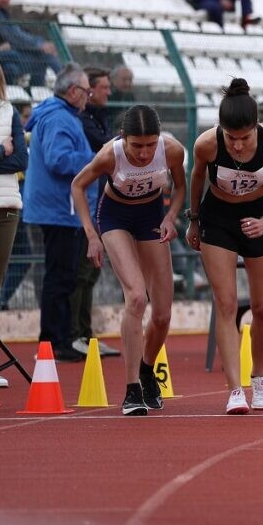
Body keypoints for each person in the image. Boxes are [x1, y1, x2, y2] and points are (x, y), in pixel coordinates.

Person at [185, 78, 263, 413]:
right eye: (231, 138)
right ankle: (235, 390)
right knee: (227, 303)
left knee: (262, 307)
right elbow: (196, 179)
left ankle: (258, 377)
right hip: (218, 220)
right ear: (221, 130)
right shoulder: (206, 144)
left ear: (255, 129)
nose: (237, 146)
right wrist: (194, 220)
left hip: (260, 217)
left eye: (244, 138)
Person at [69, 106, 186, 415]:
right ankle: (132, 389)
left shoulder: (172, 150)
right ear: (124, 138)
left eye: (150, 145)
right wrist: (91, 236)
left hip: (150, 215)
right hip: (114, 216)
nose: (145, 153)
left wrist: (171, 217)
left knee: (161, 314)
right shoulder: (110, 154)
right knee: (136, 297)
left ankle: (148, 371)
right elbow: (78, 186)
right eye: (137, 146)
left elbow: (181, 186)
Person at [22, 64, 97, 363]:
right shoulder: (59, 119)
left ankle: (57, 338)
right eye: (87, 91)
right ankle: (54, 340)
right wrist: (96, 159)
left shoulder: (57, 115)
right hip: (59, 209)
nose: (88, 97)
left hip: (58, 208)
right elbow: (59, 160)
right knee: (61, 276)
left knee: (61, 275)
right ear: (73, 91)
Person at [69, 67, 119, 358]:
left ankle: (84, 334)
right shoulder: (83, 122)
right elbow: (105, 151)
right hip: (83, 205)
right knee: (81, 272)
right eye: (103, 87)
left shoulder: (97, 119)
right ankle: (75, 334)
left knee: (90, 272)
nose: (108, 92)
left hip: (97, 202)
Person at [0, 63, 28, 389]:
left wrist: (8, 152)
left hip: (6, 205)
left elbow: (21, 160)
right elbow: (9, 155)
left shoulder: (8, 113)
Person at [0, 0, 62, 87]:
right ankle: (66, 82)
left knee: (13, 67)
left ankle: (35, 92)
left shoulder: (4, 13)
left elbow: (16, 33)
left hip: (8, 56)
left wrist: (39, 43)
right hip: (1, 55)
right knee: (44, 55)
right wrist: (39, 45)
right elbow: (13, 36)